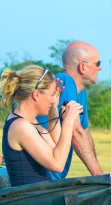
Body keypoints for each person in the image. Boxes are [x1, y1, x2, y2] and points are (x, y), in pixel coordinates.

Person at [0, 65, 84, 186]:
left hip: (37, 197)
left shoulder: (29, 121)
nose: (53, 100)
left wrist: (53, 109)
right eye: (51, 94)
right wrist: (68, 122)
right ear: (36, 94)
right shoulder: (20, 126)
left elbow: (55, 146)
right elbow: (57, 165)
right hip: (30, 201)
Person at [36, 41, 103, 179]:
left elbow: (85, 133)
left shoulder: (80, 91)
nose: (100, 68)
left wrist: (98, 172)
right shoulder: (65, 81)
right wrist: (99, 176)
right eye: (97, 63)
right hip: (43, 176)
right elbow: (76, 132)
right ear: (83, 67)